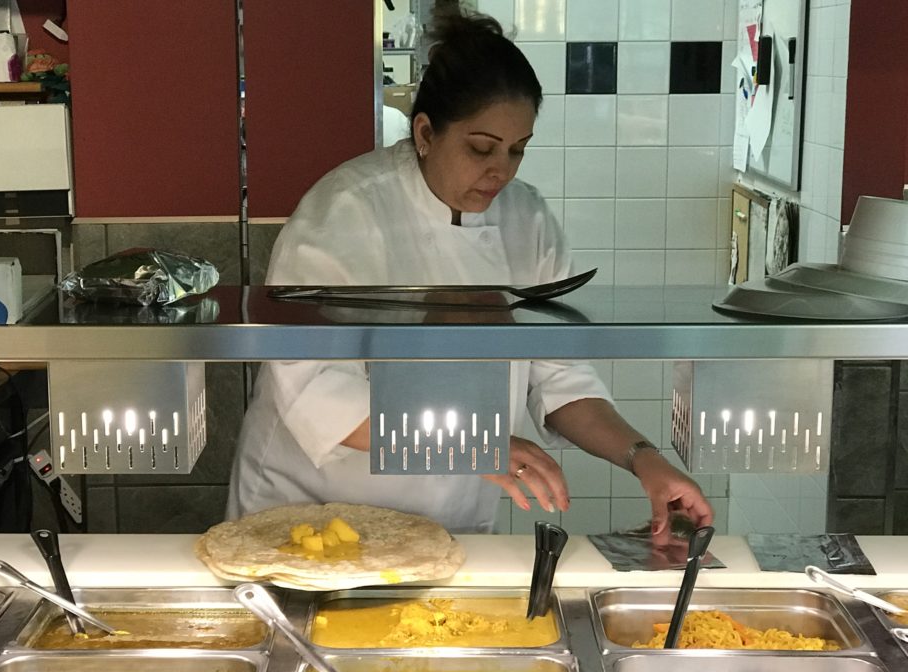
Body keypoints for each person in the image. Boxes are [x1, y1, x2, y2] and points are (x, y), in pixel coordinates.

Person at [227, 8, 713, 542]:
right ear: (426, 132)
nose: (500, 171)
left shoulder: (527, 221)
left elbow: (559, 378)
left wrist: (643, 458)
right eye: (481, 148)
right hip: (312, 516)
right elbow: (315, 393)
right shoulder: (344, 213)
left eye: (517, 151)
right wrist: (479, 446)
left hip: (449, 522)